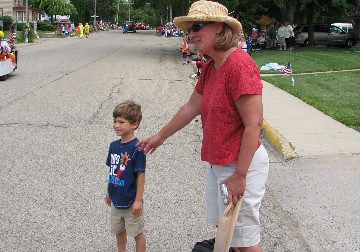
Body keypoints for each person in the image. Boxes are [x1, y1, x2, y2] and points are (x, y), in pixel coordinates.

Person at [137, 1, 269, 252]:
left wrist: (240, 175)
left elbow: (254, 125)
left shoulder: (239, 64)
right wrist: (159, 137)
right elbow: (191, 107)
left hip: (240, 164)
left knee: (246, 241)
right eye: (188, 30)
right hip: (218, 162)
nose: (192, 35)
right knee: (228, 232)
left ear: (218, 27)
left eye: (197, 27)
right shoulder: (211, 68)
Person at [105, 100, 147, 252]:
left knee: (136, 233)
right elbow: (112, 170)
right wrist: (109, 192)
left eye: (121, 122)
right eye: (115, 121)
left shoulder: (137, 148)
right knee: (119, 230)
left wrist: (138, 200)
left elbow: (140, 175)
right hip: (116, 199)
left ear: (134, 124)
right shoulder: (113, 146)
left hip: (131, 201)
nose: (116, 125)